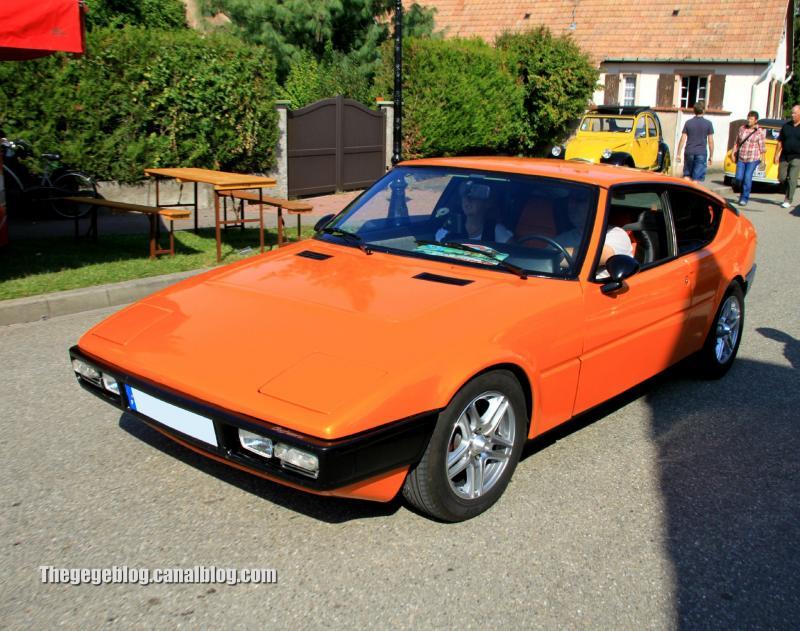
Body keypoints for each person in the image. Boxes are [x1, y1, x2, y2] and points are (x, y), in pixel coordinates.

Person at [555, 189, 633, 270]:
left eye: (580, 200)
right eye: (570, 200)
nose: (571, 206)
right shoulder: (561, 238)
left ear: (595, 206)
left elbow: (593, 257)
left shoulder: (616, 234)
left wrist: (553, 256)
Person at [435, 180, 513, 243]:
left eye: (475, 196)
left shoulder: (495, 230)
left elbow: (513, 253)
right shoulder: (449, 226)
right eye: (464, 195)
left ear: (488, 203)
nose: (468, 200)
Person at [731, 111, 766, 207]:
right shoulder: (742, 128)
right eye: (748, 118)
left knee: (747, 177)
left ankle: (744, 198)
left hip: (753, 158)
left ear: (756, 120)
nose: (749, 120)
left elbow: (762, 147)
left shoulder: (760, 131)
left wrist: (763, 160)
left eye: (751, 119)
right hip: (741, 157)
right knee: (738, 178)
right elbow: (737, 142)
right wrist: (733, 153)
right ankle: (741, 192)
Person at [676, 101, 715, 182]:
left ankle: (686, 189)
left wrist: (678, 154)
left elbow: (682, 139)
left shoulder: (688, 123)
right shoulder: (708, 124)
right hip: (701, 153)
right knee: (696, 178)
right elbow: (710, 141)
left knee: (687, 176)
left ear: (694, 110)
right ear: (703, 110)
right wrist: (711, 156)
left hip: (689, 152)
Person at [774, 104, 800, 208]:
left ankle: (788, 199)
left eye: (795, 113)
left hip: (797, 156)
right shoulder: (786, 126)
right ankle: (787, 189)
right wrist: (776, 154)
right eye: (792, 113)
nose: (792, 115)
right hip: (785, 155)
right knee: (781, 177)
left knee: (792, 179)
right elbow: (780, 141)